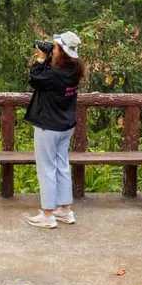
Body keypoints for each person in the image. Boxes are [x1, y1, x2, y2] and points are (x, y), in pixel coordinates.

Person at [23, 31, 85, 229]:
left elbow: (34, 78)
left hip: (48, 127)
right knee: (62, 166)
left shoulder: (54, 75)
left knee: (47, 169)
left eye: (56, 47)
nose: (53, 49)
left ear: (62, 52)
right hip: (66, 126)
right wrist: (49, 58)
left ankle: (48, 214)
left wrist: (41, 59)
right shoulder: (74, 72)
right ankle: (66, 211)